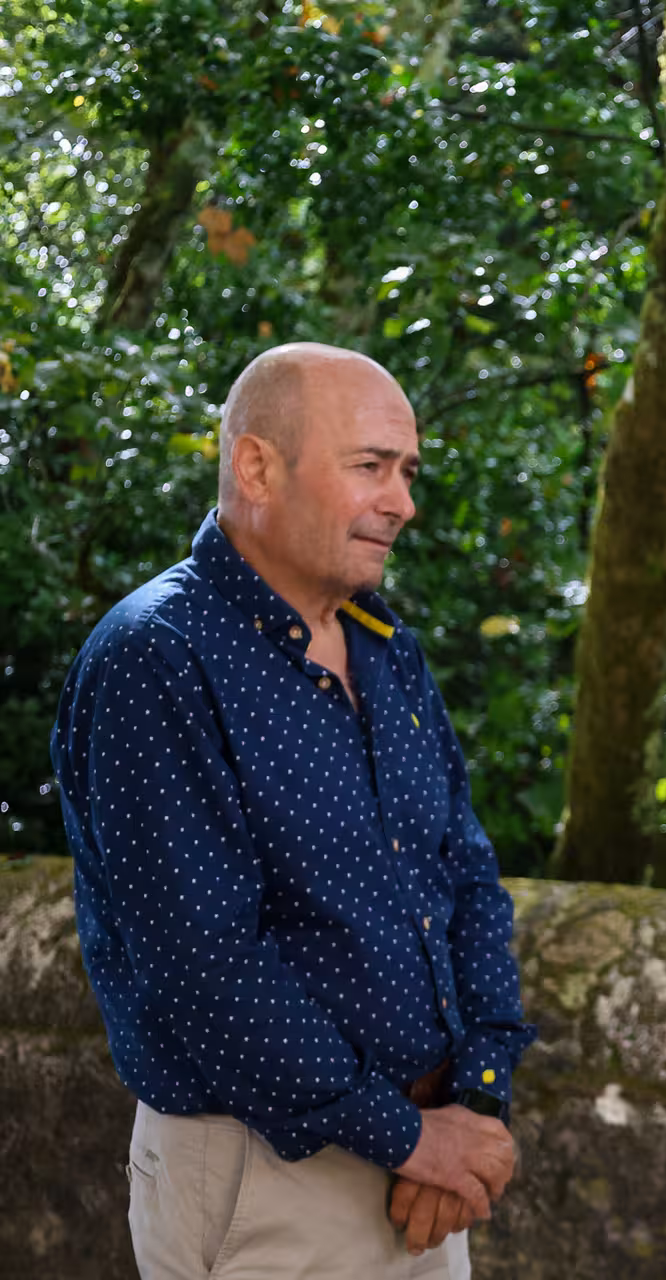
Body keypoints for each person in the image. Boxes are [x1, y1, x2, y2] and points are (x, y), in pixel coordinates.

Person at [51, 343, 536, 1279]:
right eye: (370, 467)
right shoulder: (157, 659)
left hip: (427, 1169)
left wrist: (476, 1097)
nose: (401, 501)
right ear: (256, 465)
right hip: (262, 1179)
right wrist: (410, 1137)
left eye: (407, 472)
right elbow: (203, 965)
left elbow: (465, 876)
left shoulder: (385, 644)